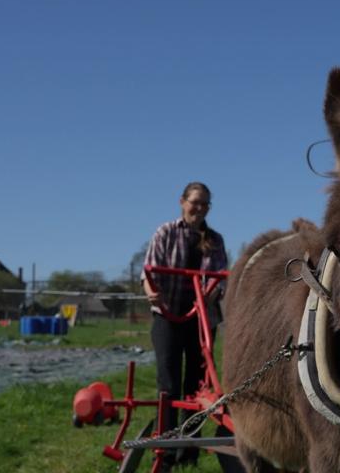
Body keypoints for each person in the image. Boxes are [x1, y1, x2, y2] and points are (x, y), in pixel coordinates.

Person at [141, 181, 228, 469]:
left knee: (196, 386)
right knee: (168, 384)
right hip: (168, 314)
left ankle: (188, 451)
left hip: (201, 319)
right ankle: (164, 450)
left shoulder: (215, 240)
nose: (199, 208)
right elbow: (149, 270)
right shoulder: (166, 232)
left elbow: (220, 277)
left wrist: (213, 290)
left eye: (205, 204)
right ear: (182, 202)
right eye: (195, 202)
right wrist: (150, 290)